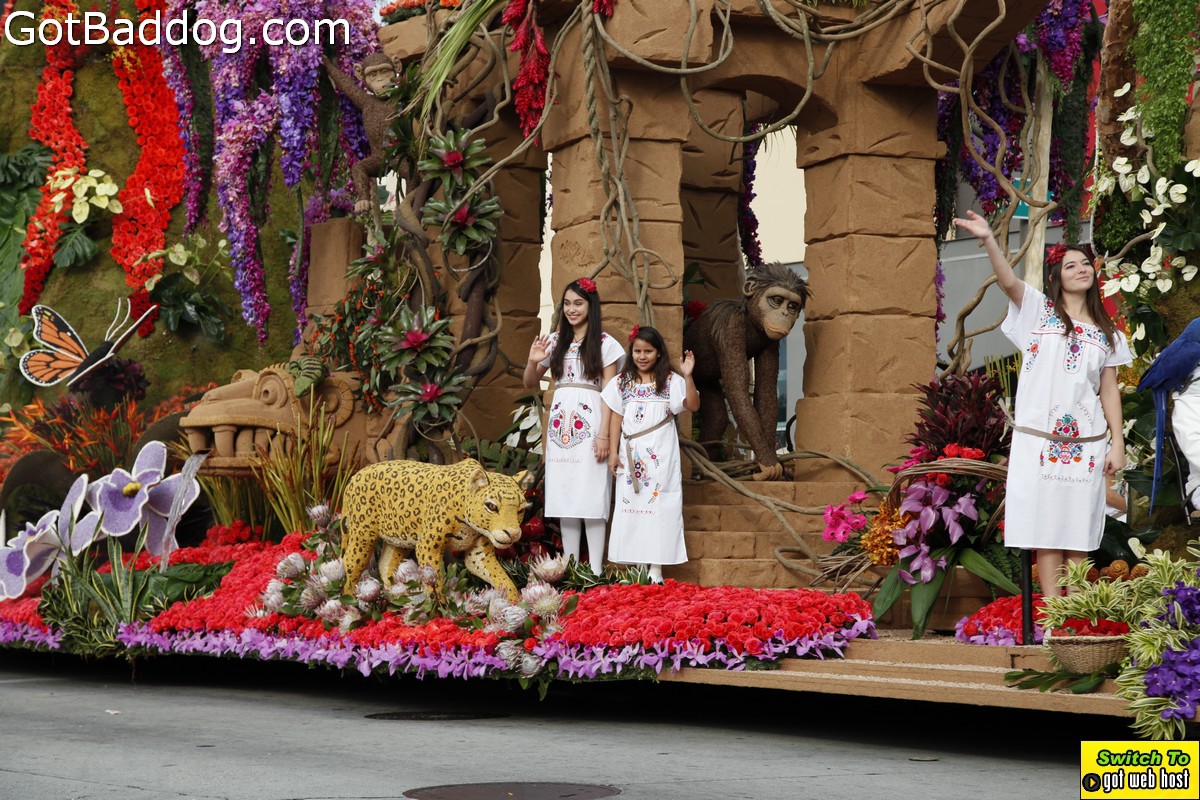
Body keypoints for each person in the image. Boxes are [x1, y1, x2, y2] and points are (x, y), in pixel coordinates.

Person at [954, 210, 1131, 597]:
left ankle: (1077, 613)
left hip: (1086, 442)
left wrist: (1117, 443)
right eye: (1071, 265)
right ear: (1056, 277)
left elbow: (1109, 390)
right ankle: (1053, 615)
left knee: (1079, 530)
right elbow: (1008, 281)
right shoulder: (1039, 311)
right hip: (1040, 441)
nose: (1081, 269)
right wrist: (989, 240)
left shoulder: (1109, 334)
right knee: (1047, 531)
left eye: (1085, 263)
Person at [523, 278, 625, 574]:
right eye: (567, 303)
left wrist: (604, 435)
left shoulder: (605, 344)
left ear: (590, 306)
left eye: (578, 303)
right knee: (565, 495)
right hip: (560, 429)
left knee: (592, 494)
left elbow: (610, 394)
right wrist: (532, 361)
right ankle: (570, 569)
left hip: (592, 425)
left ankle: (595, 571)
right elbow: (530, 382)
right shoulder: (555, 342)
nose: (571, 309)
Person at [602, 326, 700, 583]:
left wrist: (688, 376)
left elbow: (692, 405)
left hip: (661, 455)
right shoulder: (621, 382)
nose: (642, 356)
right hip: (630, 453)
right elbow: (616, 416)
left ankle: (656, 567)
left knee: (659, 507)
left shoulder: (670, 381)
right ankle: (637, 566)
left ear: (658, 353)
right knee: (631, 506)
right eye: (637, 351)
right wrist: (613, 452)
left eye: (648, 351)